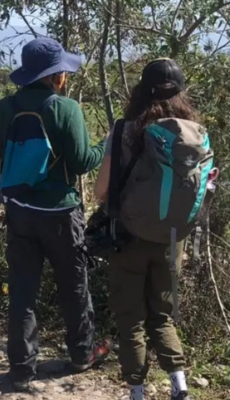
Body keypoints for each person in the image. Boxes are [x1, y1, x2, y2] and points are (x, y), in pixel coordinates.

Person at [0, 38, 110, 391]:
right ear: (55, 77)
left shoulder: (3, 109)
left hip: (19, 211)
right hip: (61, 213)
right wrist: (106, 144)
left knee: (22, 290)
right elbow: (83, 162)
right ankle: (82, 353)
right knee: (73, 286)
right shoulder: (65, 109)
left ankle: (21, 367)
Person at [94, 59, 203, 400]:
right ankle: (179, 383)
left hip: (130, 238)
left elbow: (100, 191)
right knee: (162, 314)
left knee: (132, 318)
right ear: (181, 92)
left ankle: (137, 392)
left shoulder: (125, 129)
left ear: (142, 89)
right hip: (173, 239)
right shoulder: (193, 133)